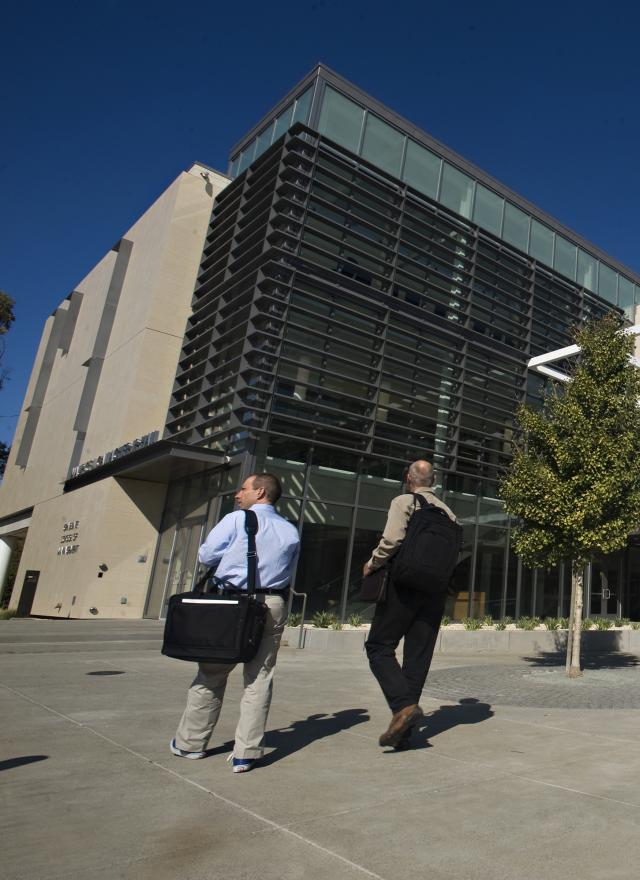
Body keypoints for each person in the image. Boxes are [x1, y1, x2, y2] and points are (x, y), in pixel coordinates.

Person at [170, 472, 300, 773]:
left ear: (261, 492)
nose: (237, 494)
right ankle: (247, 754)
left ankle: (190, 743)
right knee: (260, 677)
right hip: (272, 603)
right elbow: (290, 570)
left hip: (234, 603)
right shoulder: (290, 530)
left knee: (212, 672)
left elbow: (206, 555)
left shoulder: (235, 520)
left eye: (244, 489)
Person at [363, 460, 458, 750]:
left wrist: (371, 563)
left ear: (408, 478)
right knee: (418, 657)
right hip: (435, 591)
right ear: (434, 480)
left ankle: (404, 707)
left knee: (379, 646)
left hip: (403, 586)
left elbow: (391, 541)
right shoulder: (449, 514)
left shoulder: (405, 501)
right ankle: (403, 733)